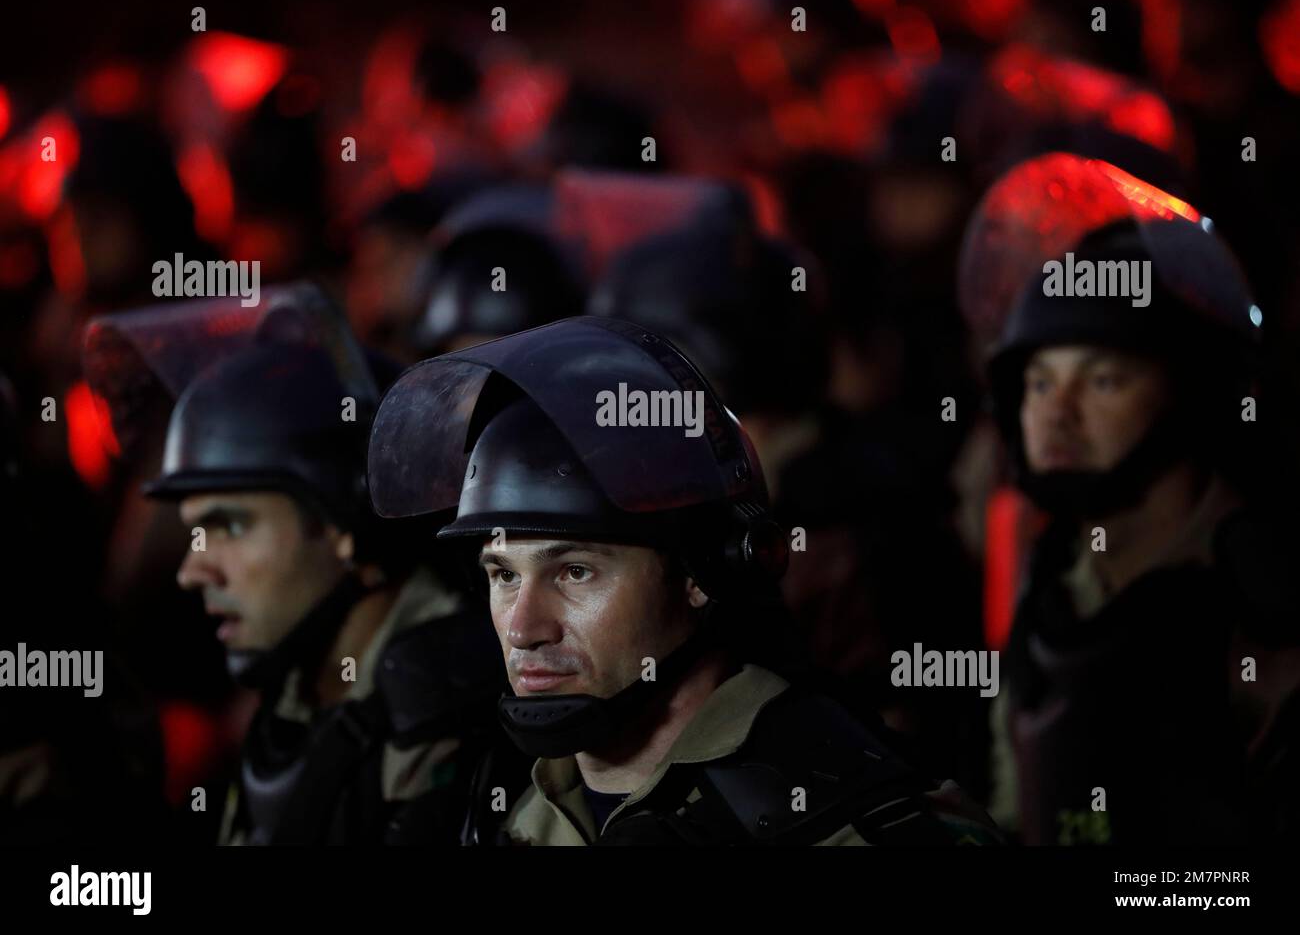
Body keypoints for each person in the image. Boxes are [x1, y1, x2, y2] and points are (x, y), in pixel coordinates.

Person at [367, 316, 1000, 845]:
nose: (524, 628)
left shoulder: (854, 821)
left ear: (699, 574)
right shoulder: (499, 810)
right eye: (504, 575)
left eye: (575, 572)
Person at [83, 287, 503, 844]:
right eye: (194, 533)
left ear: (347, 525)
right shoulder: (297, 703)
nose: (192, 571)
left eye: (230, 526)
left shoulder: (464, 727)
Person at [972, 154, 1300, 843]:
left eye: (1104, 382)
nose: (1056, 415)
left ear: (1194, 396)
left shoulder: (1265, 596)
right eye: (1038, 383)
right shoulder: (1053, 579)